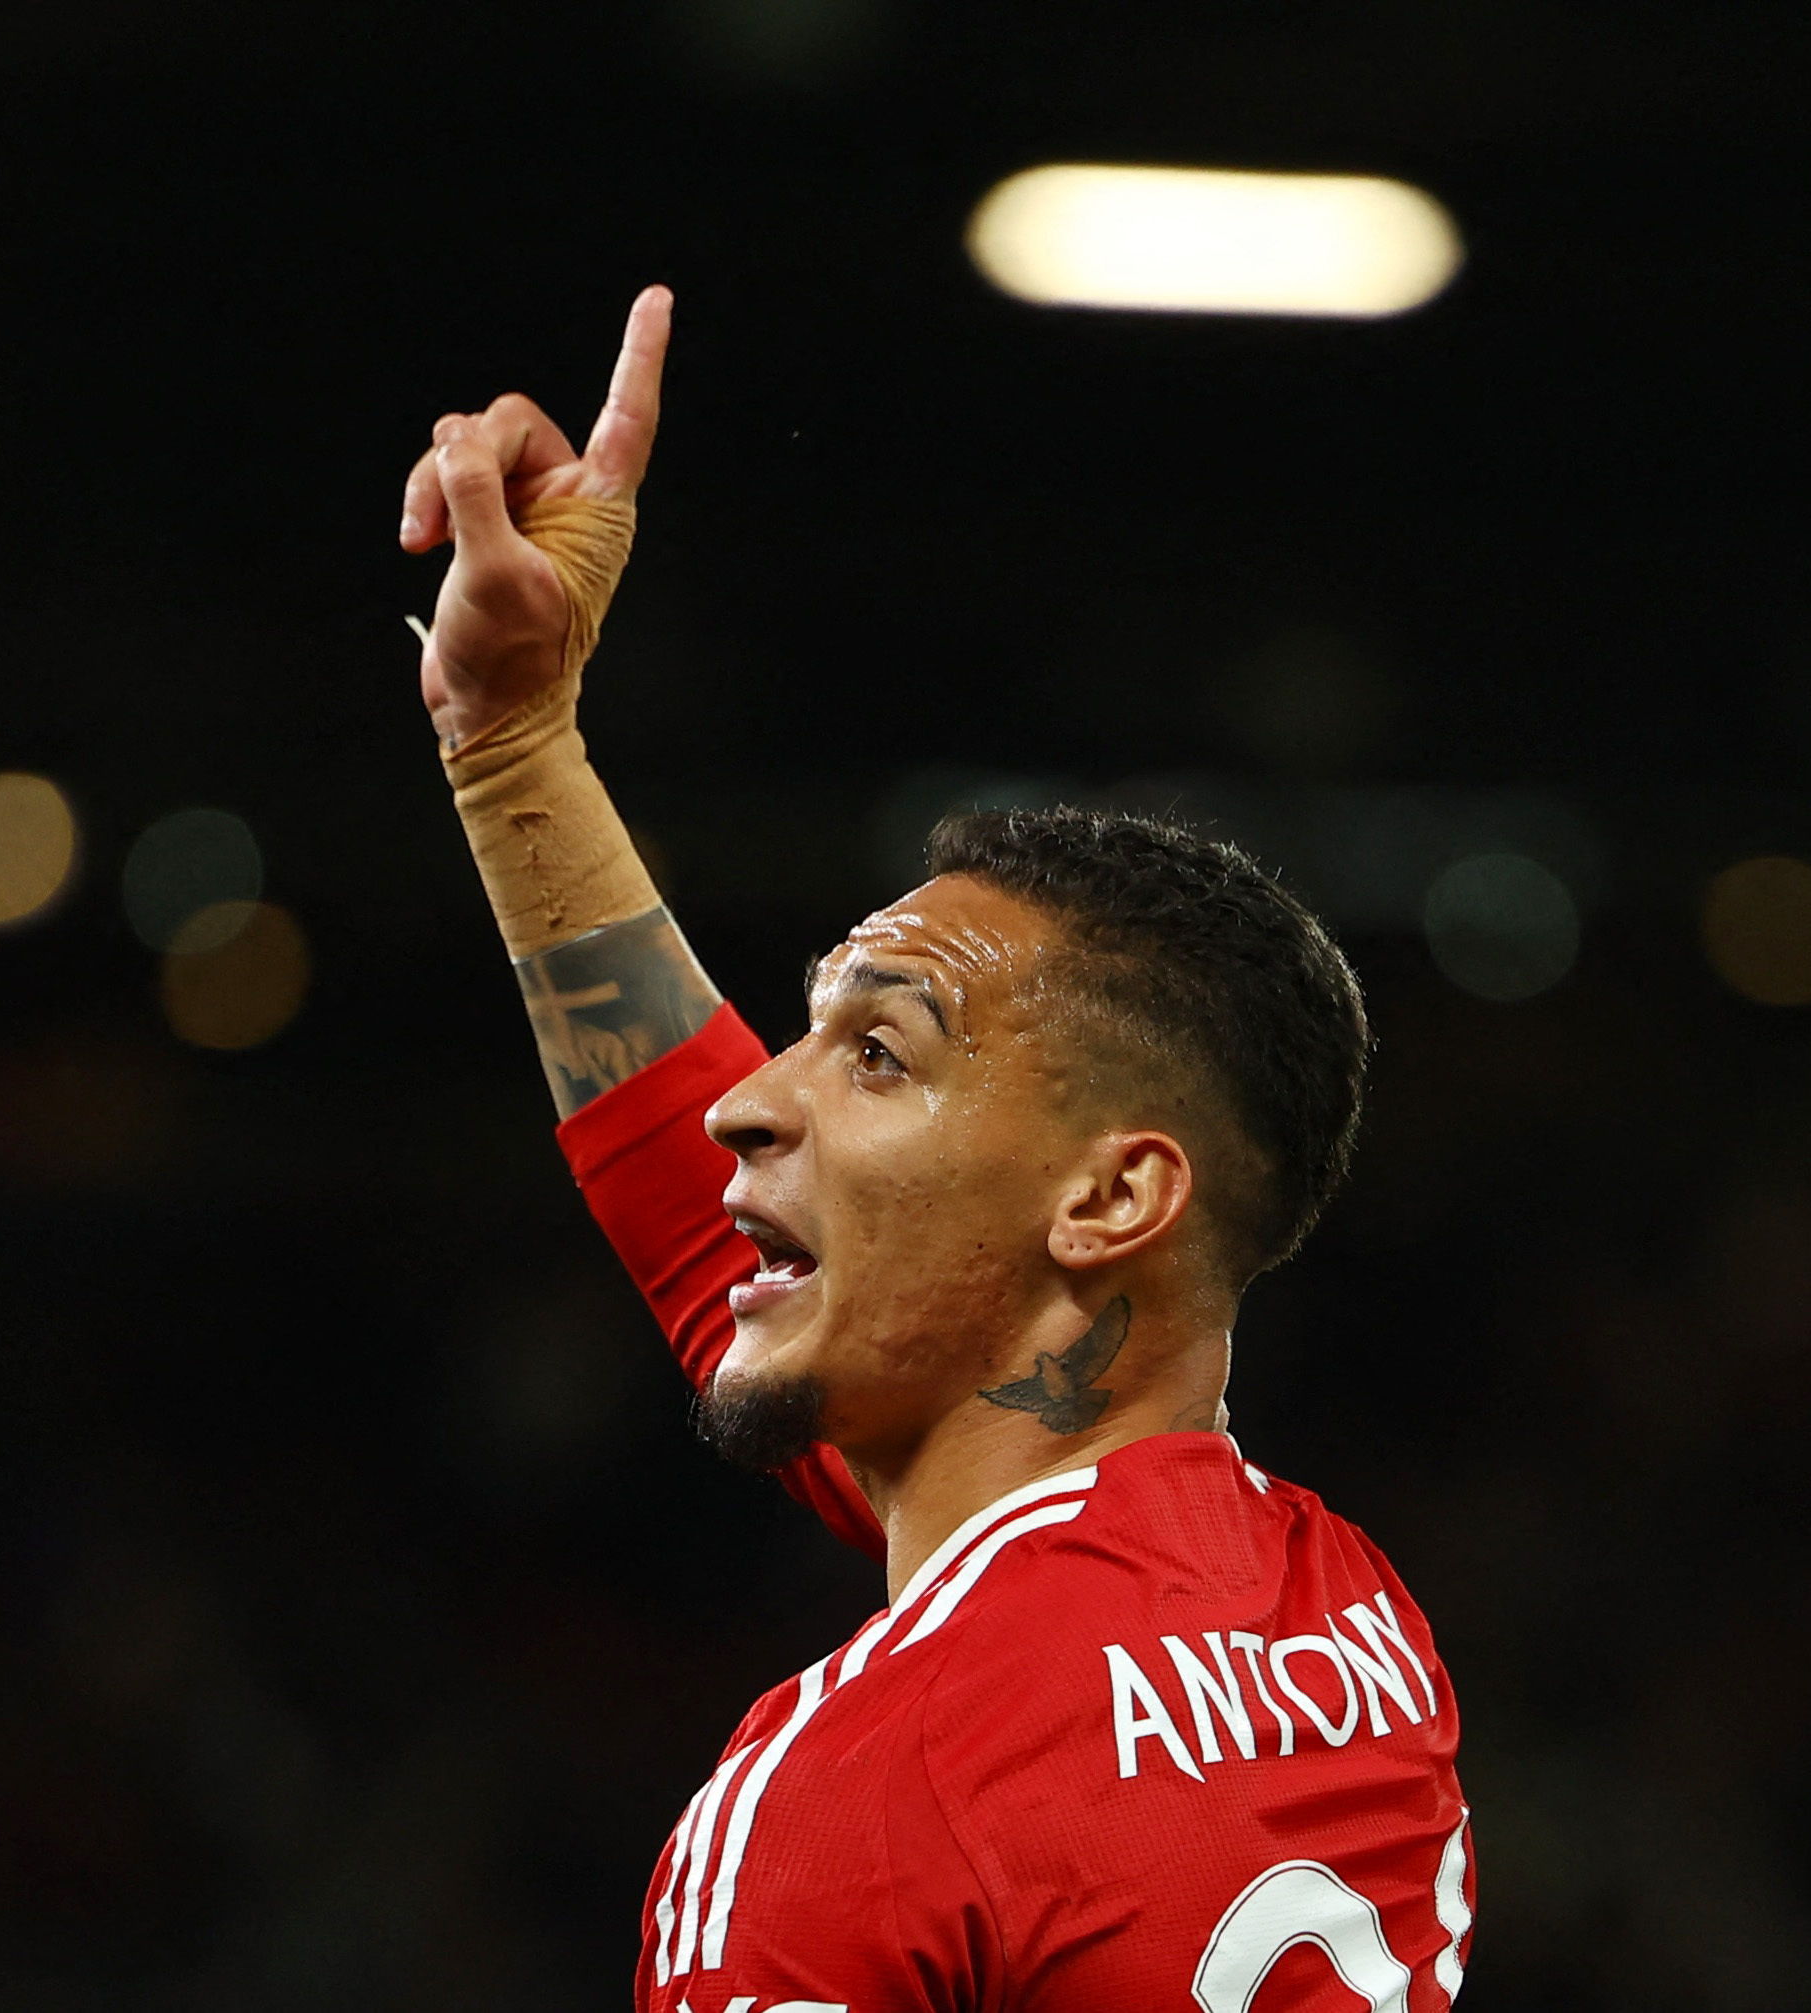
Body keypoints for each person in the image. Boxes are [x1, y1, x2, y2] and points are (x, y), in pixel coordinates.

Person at [397, 288, 1475, 2012]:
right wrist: (510, 744)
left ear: (1113, 1196)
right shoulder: (1341, 1618)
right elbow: (731, 1248)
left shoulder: (856, 1803)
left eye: (874, 1053)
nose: (755, 1101)